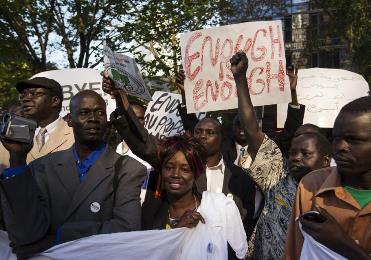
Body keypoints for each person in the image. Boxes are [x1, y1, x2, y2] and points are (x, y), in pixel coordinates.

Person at [0, 90, 147, 259]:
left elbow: (126, 229)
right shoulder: (42, 167)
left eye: (100, 112)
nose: (93, 118)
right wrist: (17, 158)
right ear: (69, 120)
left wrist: (57, 237)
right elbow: (26, 231)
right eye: (84, 113)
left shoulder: (128, 169)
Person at [284, 96, 371, 260]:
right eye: (336, 138)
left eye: (353, 140)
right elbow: (294, 252)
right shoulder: (311, 186)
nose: (339, 147)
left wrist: (342, 244)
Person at [142, 134, 248, 259]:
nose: (175, 174)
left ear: (196, 173)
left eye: (185, 169)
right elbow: (146, 254)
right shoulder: (150, 210)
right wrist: (177, 231)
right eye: (169, 167)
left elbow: (240, 254)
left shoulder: (221, 207)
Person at [2, 77, 74, 166]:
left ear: (55, 101)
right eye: (23, 95)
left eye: (36, 94)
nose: (25, 99)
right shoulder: (8, 140)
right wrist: (16, 156)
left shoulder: (76, 136)